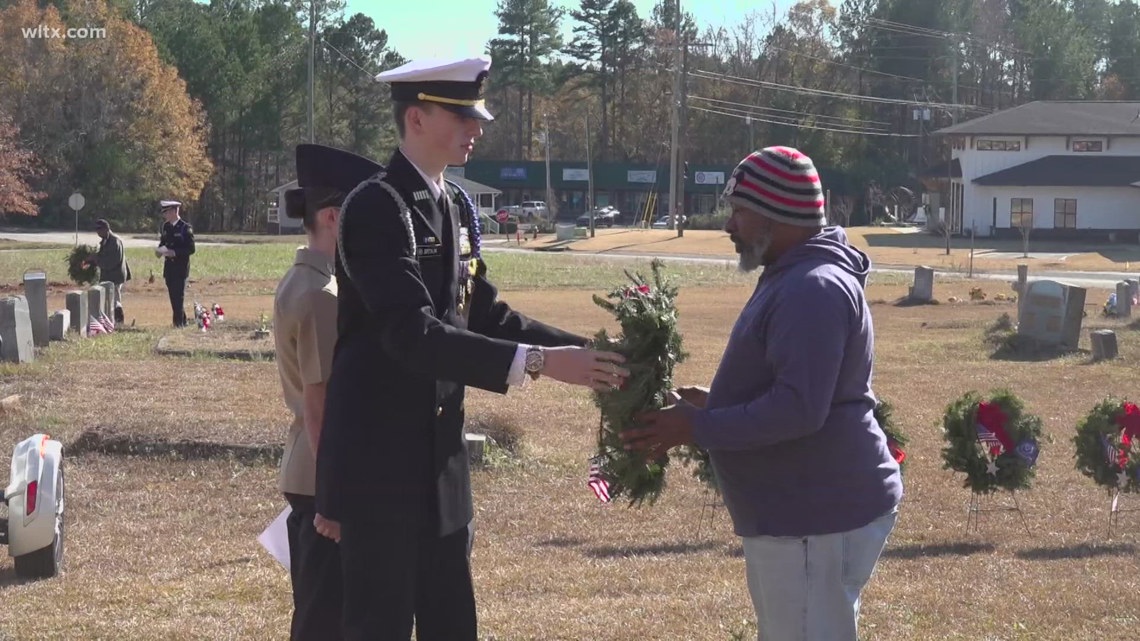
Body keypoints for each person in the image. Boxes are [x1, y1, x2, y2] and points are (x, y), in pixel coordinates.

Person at [313, 55, 630, 641]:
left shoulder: (453, 205)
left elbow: (484, 312)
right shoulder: (376, 207)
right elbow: (411, 333)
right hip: (379, 473)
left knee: (453, 627)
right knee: (375, 628)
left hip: (440, 473)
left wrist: (591, 352)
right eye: (461, 116)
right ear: (415, 119)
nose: (476, 128)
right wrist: (539, 365)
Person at [622, 146, 903, 641]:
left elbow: (799, 410)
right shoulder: (794, 275)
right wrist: (717, 402)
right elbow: (802, 389)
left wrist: (698, 426)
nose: (729, 225)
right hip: (805, 515)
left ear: (778, 215)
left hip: (815, 516)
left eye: (739, 212)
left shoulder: (812, 288)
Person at [273, 144, 384, 641]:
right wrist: (333, 500)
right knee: (324, 619)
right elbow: (320, 404)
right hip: (321, 474)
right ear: (335, 217)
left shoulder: (300, 278)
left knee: (321, 610)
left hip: (308, 467)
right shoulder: (322, 295)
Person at [155, 200, 195, 327]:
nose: (164, 215)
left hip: (180, 268)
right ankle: (181, 322)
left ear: (173, 211)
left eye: (166, 212)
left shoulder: (185, 228)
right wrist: (160, 250)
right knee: (173, 297)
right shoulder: (166, 227)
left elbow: (191, 249)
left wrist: (175, 252)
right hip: (169, 268)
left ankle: (178, 324)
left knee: (179, 297)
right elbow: (163, 242)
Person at [88, 218, 130, 323]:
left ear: (106, 229)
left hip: (115, 276)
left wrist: (96, 259)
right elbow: (103, 257)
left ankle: (119, 322)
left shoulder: (115, 241)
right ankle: (112, 321)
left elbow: (112, 262)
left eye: (100, 230)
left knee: (115, 301)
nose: (98, 232)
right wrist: (91, 260)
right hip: (109, 276)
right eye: (97, 230)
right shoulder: (105, 241)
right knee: (110, 300)